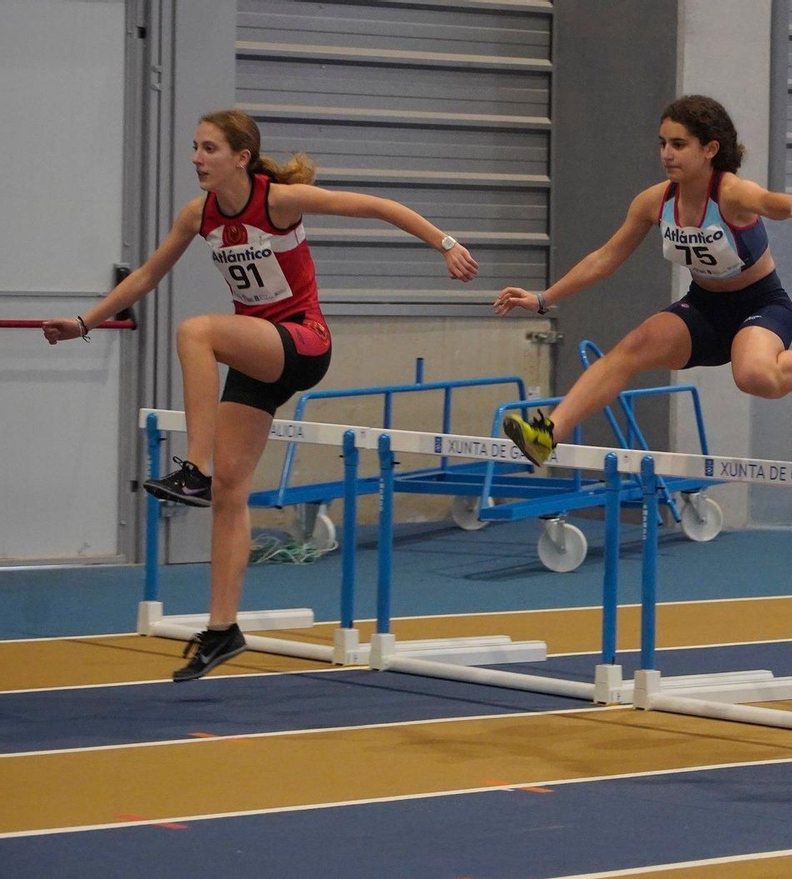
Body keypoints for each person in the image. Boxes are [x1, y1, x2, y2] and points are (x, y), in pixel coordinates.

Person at [43, 109, 478, 682]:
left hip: (303, 341)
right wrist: (85, 322)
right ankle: (223, 629)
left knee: (196, 331)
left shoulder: (280, 201)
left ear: (241, 158)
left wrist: (445, 243)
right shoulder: (198, 214)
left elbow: (377, 206)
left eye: (209, 149)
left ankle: (193, 467)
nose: (197, 158)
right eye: (195, 147)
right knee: (232, 490)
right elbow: (147, 275)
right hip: (258, 351)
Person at [494, 95, 792, 467]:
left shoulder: (730, 193)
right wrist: (543, 298)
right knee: (630, 348)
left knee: (754, 376)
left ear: (710, 149)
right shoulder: (653, 202)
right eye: (663, 144)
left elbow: (766, 201)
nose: (667, 154)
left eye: (678, 145)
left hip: (761, 305)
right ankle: (547, 435)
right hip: (705, 308)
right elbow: (604, 259)